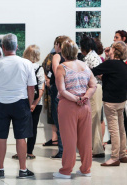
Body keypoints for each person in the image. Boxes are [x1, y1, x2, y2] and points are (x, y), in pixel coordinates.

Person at [0, 33, 36, 178]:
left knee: (0, 137)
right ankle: (22, 170)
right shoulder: (26, 63)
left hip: (0, 103)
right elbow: (31, 87)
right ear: (17, 47)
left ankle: (0, 169)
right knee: (21, 137)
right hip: (21, 103)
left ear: (2, 47)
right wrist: (29, 104)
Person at [53, 39, 97, 179]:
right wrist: (84, 97)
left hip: (69, 106)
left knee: (69, 139)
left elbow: (62, 90)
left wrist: (76, 99)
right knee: (85, 139)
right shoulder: (84, 65)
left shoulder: (62, 67)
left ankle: (66, 170)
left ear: (64, 52)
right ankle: (86, 169)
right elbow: (93, 85)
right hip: (85, 106)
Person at [92, 41, 127, 166]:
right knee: (121, 128)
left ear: (114, 50)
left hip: (111, 102)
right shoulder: (123, 65)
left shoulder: (110, 64)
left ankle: (114, 157)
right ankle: (123, 154)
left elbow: (93, 71)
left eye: (111, 48)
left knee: (114, 130)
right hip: (121, 101)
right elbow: (113, 78)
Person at [12, 45, 45, 159]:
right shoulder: (39, 68)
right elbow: (41, 88)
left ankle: (20, 152)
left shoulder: (20, 66)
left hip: (21, 100)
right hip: (36, 103)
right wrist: (34, 103)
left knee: (20, 127)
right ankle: (29, 152)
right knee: (33, 128)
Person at [80, 36, 104, 158]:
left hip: (95, 89)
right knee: (93, 119)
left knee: (94, 119)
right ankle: (95, 148)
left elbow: (97, 74)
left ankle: (96, 149)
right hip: (94, 89)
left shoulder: (92, 57)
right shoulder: (92, 56)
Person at [49, 35, 70, 158]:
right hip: (68, 89)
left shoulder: (57, 56)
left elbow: (56, 70)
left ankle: (62, 150)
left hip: (58, 89)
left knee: (59, 120)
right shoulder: (71, 58)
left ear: (58, 45)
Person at [42, 53, 58, 146]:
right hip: (51, 89)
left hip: (62, 89)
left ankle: (60, 140)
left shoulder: (66, 58)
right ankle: (54, 138)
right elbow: (43, 69)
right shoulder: (49, 56)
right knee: (52, 112)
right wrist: (47, 80)